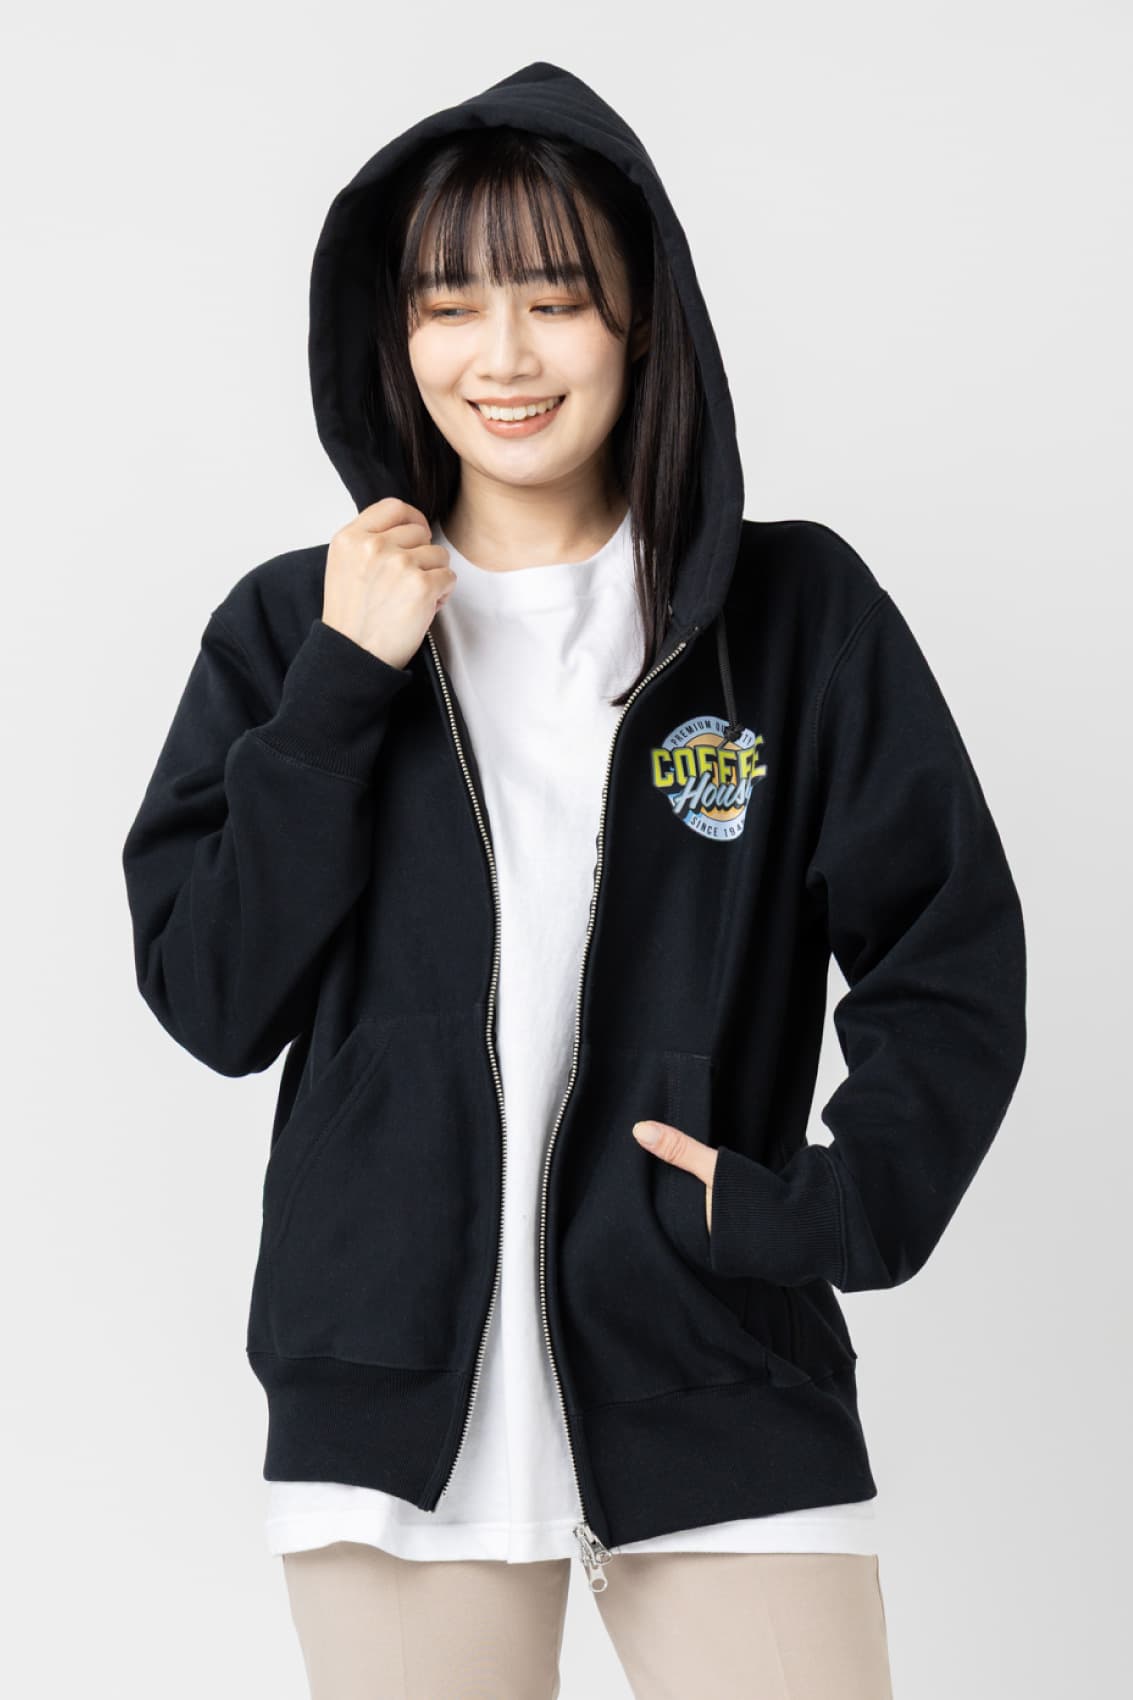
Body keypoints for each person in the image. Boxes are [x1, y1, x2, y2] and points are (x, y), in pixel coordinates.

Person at [121, 59, 1026, 1700]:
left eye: (555, 300)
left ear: (639, 317)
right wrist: (339, 687)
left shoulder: (793, 617)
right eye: (448, 306)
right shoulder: (293, 626)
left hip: (711, 1357)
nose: (504, 357)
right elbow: (212, 999)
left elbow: (947, 956)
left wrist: (825, 1210)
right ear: (393, 333)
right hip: (388, 1405)